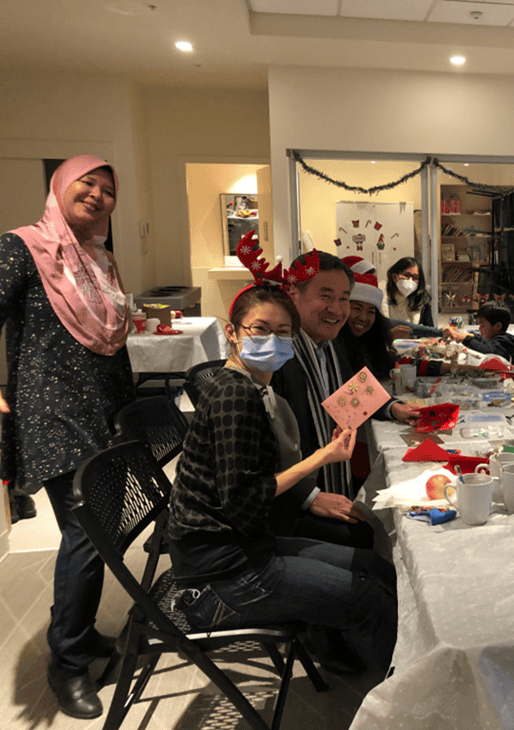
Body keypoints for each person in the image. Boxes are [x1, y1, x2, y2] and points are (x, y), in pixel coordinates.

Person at [168, 284, 397, 677]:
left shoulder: (254, 386)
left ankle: (362, 656)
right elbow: (244, 500)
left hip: (248, 545)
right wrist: (322, 458)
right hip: (224, 573)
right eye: (260, 329)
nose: (272, 341)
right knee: (370, 599)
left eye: (283, 332)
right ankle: (399, 703)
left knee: (376, 567)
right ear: (232, 332)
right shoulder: (235, 395)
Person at [0, 155, 135, 719]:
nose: (99, 194)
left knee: (102, 530)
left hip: (102, 409)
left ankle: (75, 635)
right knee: (86, 533)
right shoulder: (21, 246)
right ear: (59, 187)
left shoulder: (100, 260)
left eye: (108, 189)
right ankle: (68, 663)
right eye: (88, 182)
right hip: (51, 407)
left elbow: (111, 342)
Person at [271, 252, 419, 548]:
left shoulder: (330, 345)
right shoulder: (275, 356)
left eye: (343, 299)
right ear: (292, 294)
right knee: (377, 534)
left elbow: (354, 391)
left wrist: (393, 407)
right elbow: (258, 456)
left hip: (328, 479)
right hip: (285, 506)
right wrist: (310, 496)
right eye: (325, 296)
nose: (337, 310)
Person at [444, 300, 514, 370]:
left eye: (482, 326)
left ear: (497, 326)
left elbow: (487, 350)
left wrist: (466, 339)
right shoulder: (500, 338)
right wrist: (473, 336)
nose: (479, 329)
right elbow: (487, 343)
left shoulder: (503, 342)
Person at [381, 257, 437, 339]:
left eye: (415, 277)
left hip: (414, 349)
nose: (410, 280)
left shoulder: (422, 301)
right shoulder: (380, 299)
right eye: (406, 275)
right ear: (394, 277)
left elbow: (430, 333)